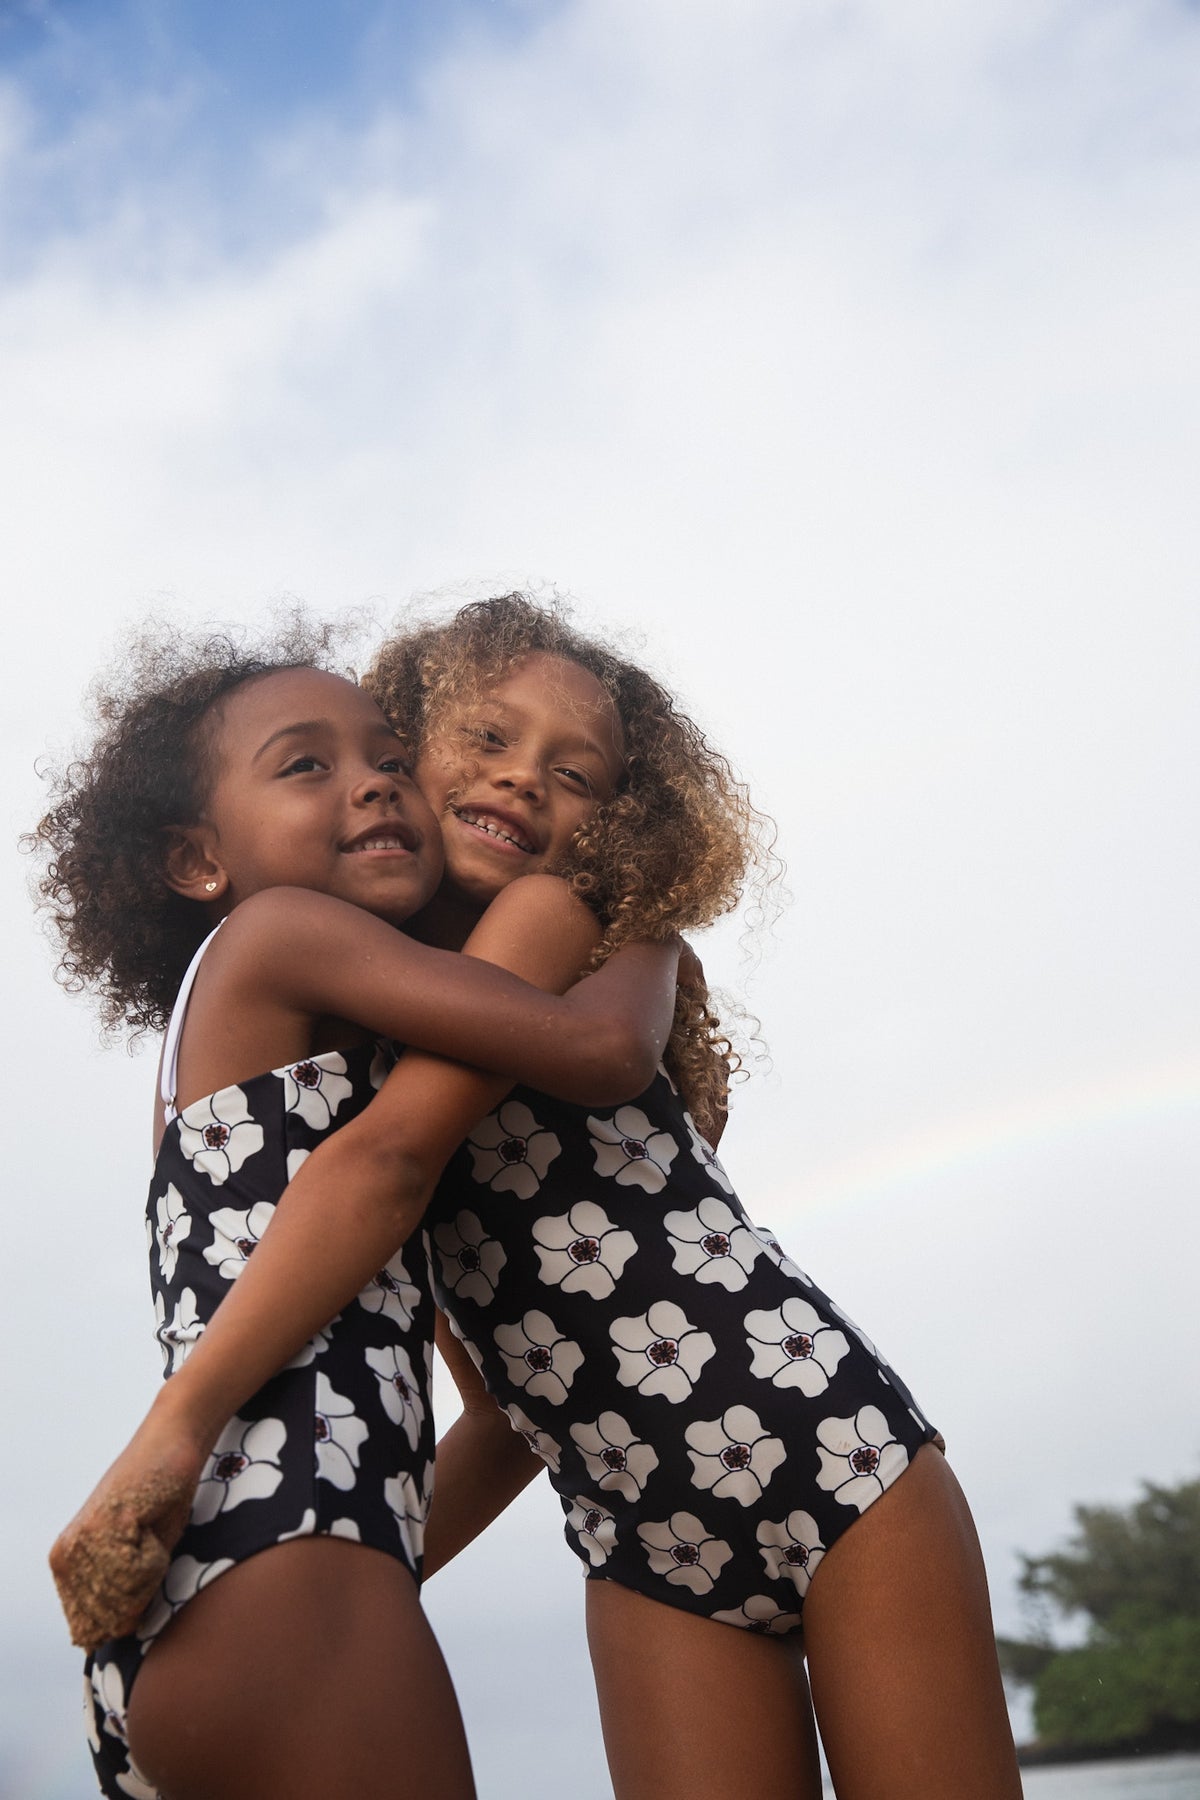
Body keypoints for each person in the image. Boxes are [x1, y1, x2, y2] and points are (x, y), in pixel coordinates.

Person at [53, 596, 1023, 1800]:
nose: (522, 782)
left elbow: (405, 1152)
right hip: (634, 1537)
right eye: (487, 739)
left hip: (820, 1442)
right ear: (414, 746)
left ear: (618, 822)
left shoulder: (563, 915)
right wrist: (341, 1587)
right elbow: (507, 1411)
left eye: (576, 775)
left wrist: (201, 1466)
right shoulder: (355, 1028)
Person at [34, 621, 680, 1800]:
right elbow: (592, 1048)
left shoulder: (269, 1058)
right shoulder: (283, 932)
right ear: (195, 861)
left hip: (210, 1584)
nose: (373, 779)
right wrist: (645, 920)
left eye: (387, 754)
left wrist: (395, 1566)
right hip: (293, 1552)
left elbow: (494, 1418)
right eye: (305, 765)